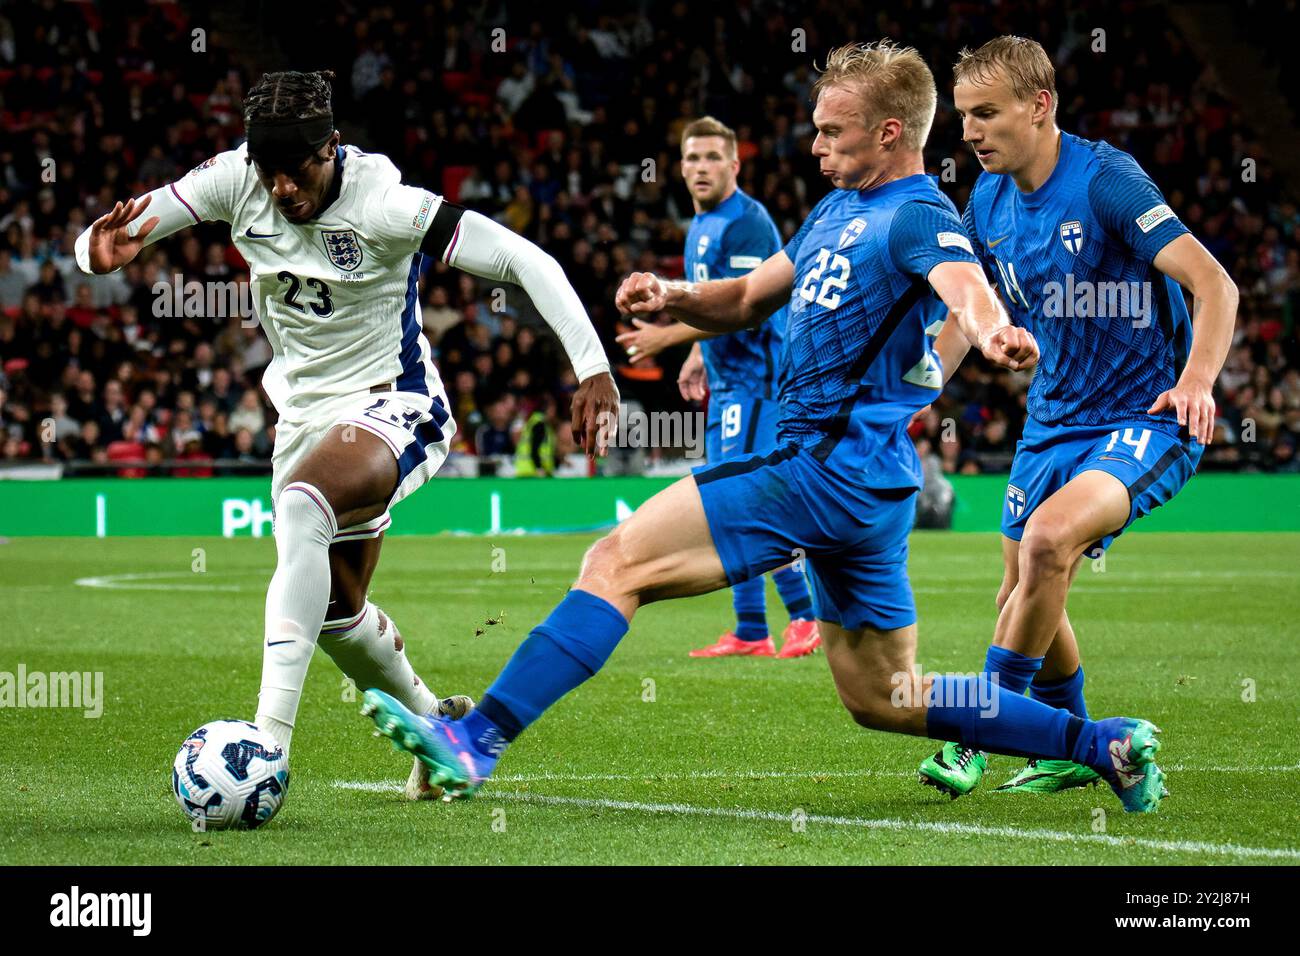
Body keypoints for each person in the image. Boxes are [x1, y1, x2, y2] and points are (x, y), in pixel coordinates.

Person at [361, 42, 1168, 814]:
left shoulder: (918, 214)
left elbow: (964, 282)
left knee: (616, 560)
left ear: (890, 133)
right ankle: (1103, 743)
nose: (813, 144)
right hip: (867, 486)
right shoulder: (835, 210)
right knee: (887, 698)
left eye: (831, 130)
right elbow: (748, 299)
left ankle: (477, 740)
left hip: (815, 465)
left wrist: (993, 332)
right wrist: (675, 298)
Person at [76, 69, 619, 801]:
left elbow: (525, 260)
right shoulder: (233, 180)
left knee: (305, 505)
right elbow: (120, 232)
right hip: (302, 417)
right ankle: (439, 733)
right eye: (267, 174)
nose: (280, 191)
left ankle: (265, 746)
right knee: (335, 612)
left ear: (330, 148)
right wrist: (97, 253)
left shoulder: (388, 204)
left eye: (295, 173)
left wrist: (592, 369)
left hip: (394, 401)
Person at [917, 36, 1237, 798]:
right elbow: (967, 315)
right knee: (1023, 590)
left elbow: (1215, 284)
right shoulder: (986, 202)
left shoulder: (1106, 182)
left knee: (1050, 541)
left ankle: (976, 733)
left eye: (986, 113)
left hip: (1147, 415)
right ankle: (1071, 744)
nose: (970, 131)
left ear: (1040, 104)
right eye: (963, 115)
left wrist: (1196, 383)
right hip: (1053, 420)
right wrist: (913, 389)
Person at [616, 115, 819, 659]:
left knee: (750, 501)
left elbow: (747, 308)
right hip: (729, 382)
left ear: (734, 164)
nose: (701, 168)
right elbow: (711, 300)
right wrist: (696, 350)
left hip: (761, 381)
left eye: (712, 158)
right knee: (728, 504)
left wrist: (666, 337)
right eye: (692, 158)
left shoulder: (748, 222)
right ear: (680, 168)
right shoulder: (700, 226)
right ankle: (752, 628)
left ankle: (804, 615)